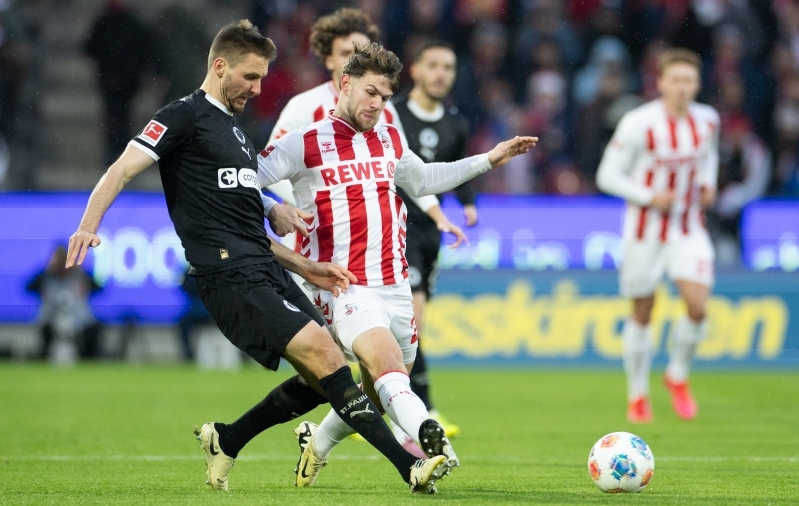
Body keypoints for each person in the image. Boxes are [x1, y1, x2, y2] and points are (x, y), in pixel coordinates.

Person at [66, 20, 453, 495]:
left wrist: (305, 262)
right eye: (250, 77)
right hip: (227, 271)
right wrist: (89, 224)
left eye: (262, 78)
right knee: (330, 359)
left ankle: (226, 439)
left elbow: (248, 219)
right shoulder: (183, 116)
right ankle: (408, 466)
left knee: (320, 380)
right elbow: (122, 168)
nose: (257, 88)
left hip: (265, 265)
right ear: (219, 65)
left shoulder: (237, 132)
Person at [256, 41, 537, 488]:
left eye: (385, 97)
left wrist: (491, 158)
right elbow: (243, 180)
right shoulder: (304, 143)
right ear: (345, 84)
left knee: (379, 386)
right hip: (343, 284)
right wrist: (271, 208)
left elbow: (424, 178)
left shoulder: (387, 135)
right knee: (388, 369)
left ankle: (319, 442)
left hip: (394, 283)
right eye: (370, 92)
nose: (377, 104)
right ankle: (431, 439)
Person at [264, 8, 464, 257]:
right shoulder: (305, 105)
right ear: (329, 60)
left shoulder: (385, 111)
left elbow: (408, 171)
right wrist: (312, 206)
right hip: (308, 240)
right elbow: (270, 170)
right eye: (346, 53)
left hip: (364, 246)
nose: (354, 59)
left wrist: (438, 216)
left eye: (359, 53)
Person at [596, 48, 719, 423]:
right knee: (642, 311)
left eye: (689, 80)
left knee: (697, 306)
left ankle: (677, 375)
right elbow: (607, 176)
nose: (682, 87)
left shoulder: (708, 120)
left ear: (697, 84)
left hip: (688, 227)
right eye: (675, 80)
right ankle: (637, 394)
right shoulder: (639, 123)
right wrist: (650, 196)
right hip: (644, 231)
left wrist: (709, 184)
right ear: (661, 83)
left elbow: (708, 157)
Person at [391, 40, 478, 446]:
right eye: (435, 65)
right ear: (416, 70)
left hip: (429, 233)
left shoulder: (456, 124)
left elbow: (457, 170)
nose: (442, 73)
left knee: (408, 327)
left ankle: (392, 403)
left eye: (449, 67)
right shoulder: (395, 115)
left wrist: (468, 204)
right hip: (394, 226)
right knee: (413, 322)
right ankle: (415, 408)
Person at [27, 245, 102, 362]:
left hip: (78, 318)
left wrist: (82, 271)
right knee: (44, 329)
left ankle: (88, 359)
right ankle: (45, 357)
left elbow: (99, 287)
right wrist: (47, 270)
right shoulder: (47, 276)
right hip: (51, 316)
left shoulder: (80, 276)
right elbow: (29, 287)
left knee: (92, 329)